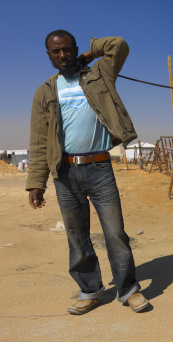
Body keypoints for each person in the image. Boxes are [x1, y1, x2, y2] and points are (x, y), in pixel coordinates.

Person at [26, 30, 149, 315]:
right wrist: (36, 183)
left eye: (67, 49)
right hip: (65, 173)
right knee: (77, 237)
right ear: (49, 55)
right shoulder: (45, 91)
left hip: (100, 168)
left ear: (75, 49)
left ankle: (128, 290)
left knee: (115, 233)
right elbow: (39, 141)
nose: (62, 55)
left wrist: (92, 52)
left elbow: (118, 45)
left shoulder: (99, 74)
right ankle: (90, 292)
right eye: (56, 52)